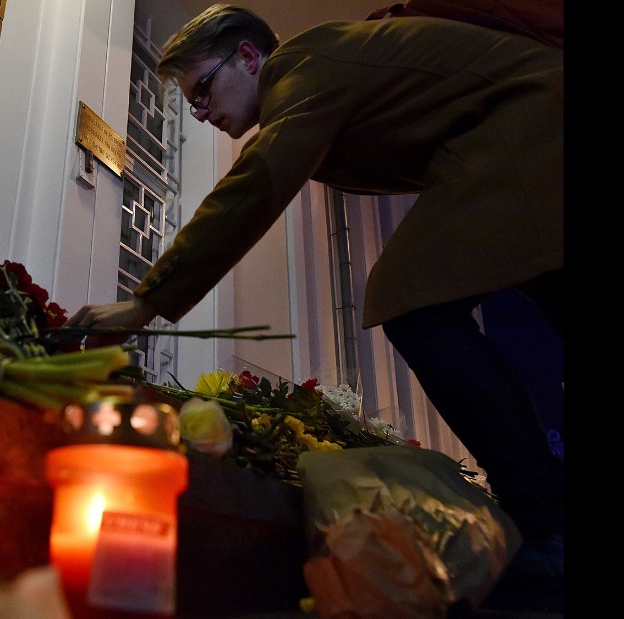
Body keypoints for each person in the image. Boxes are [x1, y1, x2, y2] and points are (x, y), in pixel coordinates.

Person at [65, 3, 563, 612]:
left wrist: (145, 303)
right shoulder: (317, 73)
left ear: (249, 56)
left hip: (538, 121)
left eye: (202, 89)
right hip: (532, 127)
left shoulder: (303, 66)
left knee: (412, 297)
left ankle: (546, 525)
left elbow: (259, 178)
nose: (199, 111)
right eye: (192, 102)